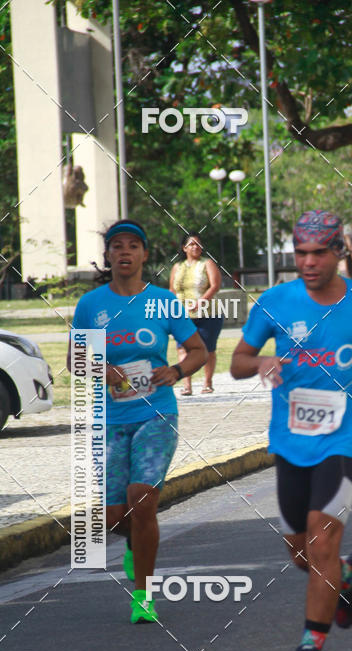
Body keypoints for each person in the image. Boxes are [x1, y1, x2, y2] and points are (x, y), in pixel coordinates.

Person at [231, 209, 352, 651]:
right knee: (303, 555)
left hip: (342, 440)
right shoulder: (274, 301)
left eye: (318, 253)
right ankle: (347, 576)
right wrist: (261, 362)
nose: (308, 262)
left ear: (338, 252)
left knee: (323, 542)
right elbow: (237, 361)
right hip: (290, 443)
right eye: (301, 253)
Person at [68, 220, 207, 623]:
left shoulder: (163, 301)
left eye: (133, 245)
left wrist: (176, 371)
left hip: (156, 413)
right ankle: (134, 545)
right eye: (117, 246)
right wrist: (102, 369)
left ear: (144, 255)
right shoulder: (91, 305)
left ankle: (143, 596)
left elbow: (197, 350)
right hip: (110, 420)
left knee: (142, 497)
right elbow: (74, 361)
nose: (125, 252)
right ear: (109, 255)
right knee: (116, 517)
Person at [169, 233, 222, 395]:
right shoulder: (177, 267)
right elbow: (172, 289)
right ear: (184, 248)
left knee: (208, 349)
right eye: (191, 244)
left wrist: (201, 302)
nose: (195, 247)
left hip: (208, 314)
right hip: (183, 315)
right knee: (182, 349)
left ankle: (207, 383)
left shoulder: (207, 263)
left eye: (198, 244)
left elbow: (215, 285)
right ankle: (187, 385)